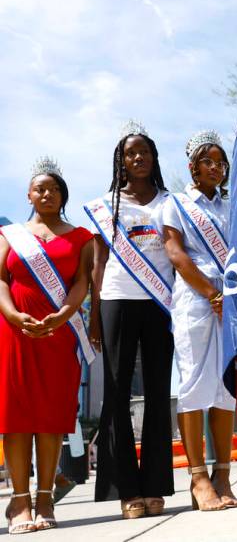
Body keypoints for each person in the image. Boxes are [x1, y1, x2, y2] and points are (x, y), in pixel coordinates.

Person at [85, 121, 176, 519]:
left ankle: (155, 486)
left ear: (154, 158)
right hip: (116, 300)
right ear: (121, 162)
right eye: (130, 153)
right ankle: (127, 491)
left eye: (145, 152)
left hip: (160, 302)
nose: (138, 158)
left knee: (158, 393)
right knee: (117, 396)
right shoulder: (106, 206)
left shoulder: (169, 201)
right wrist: (93, 316)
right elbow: (96, 263)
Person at [0, 159, 94, 533]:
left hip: (59, 333)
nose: (47, 193)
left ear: (62, 194)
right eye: (40, 188)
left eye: (54, 188)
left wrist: (61, 316)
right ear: (29, 195)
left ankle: (45, 496)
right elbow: (1, 281)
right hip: (15, 332)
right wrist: (11, 315)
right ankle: (20, 500)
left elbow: (82, 284)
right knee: (16, 416)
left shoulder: (81, 238)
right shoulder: (10, 236)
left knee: (52, 416)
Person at [159, 130, 237, 512]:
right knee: (192, 383)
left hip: (231, 299)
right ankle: (198, 478)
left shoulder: (231, 205)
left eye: (221, 162)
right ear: (192, 167)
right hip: (195, 298)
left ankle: (223, 473)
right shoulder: (175, 204)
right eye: (209, 161)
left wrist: (230, 294)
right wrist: (210, 293)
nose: (216, 167)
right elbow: (175, 253)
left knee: (226, 389)